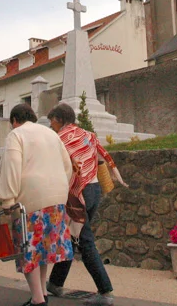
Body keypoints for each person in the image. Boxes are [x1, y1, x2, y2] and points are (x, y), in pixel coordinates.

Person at [46, 102, 127, 306]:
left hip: (76, 194)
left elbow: (56, 167)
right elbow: (100, 159)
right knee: (73, 237)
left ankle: (105, 289)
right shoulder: (88, 135)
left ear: (60, 120)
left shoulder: (60, 139)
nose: (50, 124)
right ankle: (55, 282)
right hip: (94, 190)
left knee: (84, 240)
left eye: (52, 121)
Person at [0, 103, 74, 306]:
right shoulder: (51, 134)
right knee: (44, 250)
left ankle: (38, 299)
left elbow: (12, 165)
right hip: (57, 197)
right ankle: (41, 294)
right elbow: (68, 166)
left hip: (30, 199)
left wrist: (8, 198)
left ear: (15, 120)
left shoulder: (16, 135)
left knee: (27, 250)